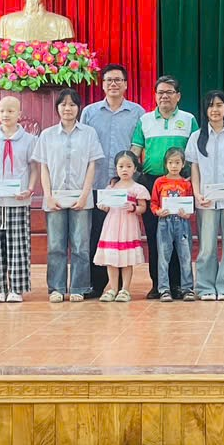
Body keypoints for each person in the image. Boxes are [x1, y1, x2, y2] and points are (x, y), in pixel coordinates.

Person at [79, 63, 145, 298]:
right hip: (97, 182)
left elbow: (139, 145)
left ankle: (121, 287)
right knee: (97, 233)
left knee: (121, 234)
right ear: (103, 84)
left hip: (126, 187)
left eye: (118, 80)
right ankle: (97, 285)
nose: (113, 84)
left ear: (126, 84)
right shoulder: (90, 112)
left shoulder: (137, 112)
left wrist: (128, 174)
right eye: (109, 80)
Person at [34, 89, 104, 303]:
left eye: (72, 104)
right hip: (54, 197)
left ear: (78, 108)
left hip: (81, 197)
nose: (68, 108)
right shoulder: (47, 135)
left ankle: (78, 287)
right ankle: (56, 288)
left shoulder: (89, 133)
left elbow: (92, 165)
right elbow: (43, 167)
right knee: (56, 245)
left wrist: (84, 195)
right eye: (63, 104)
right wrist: (48, 196)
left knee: (81, 245)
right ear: (57, 108)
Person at [131, 75, 194, 299]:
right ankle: (159, 285)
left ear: (178, 96)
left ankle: (178, 285)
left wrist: (191, 179)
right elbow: (135, 150)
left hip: (180, 184)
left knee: (179, 236)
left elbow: (194, 153)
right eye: (160, 92)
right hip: (152, 184)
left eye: (169, 92)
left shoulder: (189, 119)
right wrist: (130, 177)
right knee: (155, 236)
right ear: (155, 96)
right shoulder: (145, 120)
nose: (164, 96)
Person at [186, 90, 224, 301]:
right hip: (206, 200)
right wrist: (197, 193)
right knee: (206, 246)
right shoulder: (196, 137)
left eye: (219, 105)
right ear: (206, 109)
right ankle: (205, 288)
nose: (215, 109)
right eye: (211, 105)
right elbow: (194, 168)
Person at [0, 95, 39, 303]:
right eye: (2, 110)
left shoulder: (30, 140)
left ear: (19, 114)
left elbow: (34, 169)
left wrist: (30, 189)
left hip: (18, 200)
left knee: (18, 245)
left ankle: (16, 288)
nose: (6, 114)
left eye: (11, 111)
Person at [94, 150, 151, 302]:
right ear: (116, 168)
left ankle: (125, 289)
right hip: (112, 225)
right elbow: (105, 206)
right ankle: (113, 288)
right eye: (121, 166)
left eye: (128, 166)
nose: (124, 169)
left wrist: (133, 208)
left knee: (126, 259)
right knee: (111, 258)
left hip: (128, 225)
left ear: (135, 168)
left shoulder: (138, 188)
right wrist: (103, 206)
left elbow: (143, 208)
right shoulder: (111, 188)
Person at [150, 147, 196, 302]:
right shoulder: (159, 182)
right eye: (170, 162)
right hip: (165, 222)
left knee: (185, 256)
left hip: (182, 223)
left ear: (183, 164)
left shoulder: (186, 184)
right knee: (163, 257)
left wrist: (187, 213)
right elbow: (154, 203)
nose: (174, 166)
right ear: (166, 164)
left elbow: (190, 203)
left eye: (177, 162)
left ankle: (187, 289)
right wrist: (158, 211)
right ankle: (164, 289)